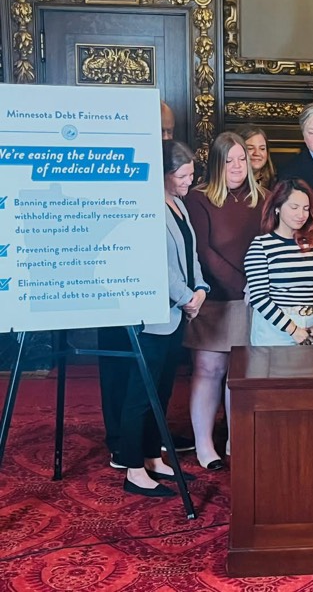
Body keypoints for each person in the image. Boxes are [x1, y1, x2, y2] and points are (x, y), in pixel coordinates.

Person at [120, 140, 209, 497]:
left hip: (177, 315)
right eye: (183, 175)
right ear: (166, 175)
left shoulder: (180, 206)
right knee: (141, 394)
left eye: (191, 174)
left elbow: (191, 253)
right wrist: (188, 297)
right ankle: (133, 468)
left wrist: (201, 288)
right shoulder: (149, 209)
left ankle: (153, 457)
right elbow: (160, 265)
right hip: (155, 316)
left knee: (162, 390)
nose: (189, 181)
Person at [183, 132, 265, 470]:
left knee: (241, 373)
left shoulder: (264, 198)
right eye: (228, 159)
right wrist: (240, 284)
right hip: (214, 299)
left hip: (255, 301)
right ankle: (205, 447)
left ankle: (236, 439)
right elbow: (201, 251)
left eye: (241, 159)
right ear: (216, 163)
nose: (236, 166)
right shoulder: (198, 199)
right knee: (209, 369)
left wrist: (256, 288)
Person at [245, 180, 313, 346]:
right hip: (275, 329)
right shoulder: (261, 245)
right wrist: (292, 329)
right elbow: (258, 296)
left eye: (306, 209)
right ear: (277, 208)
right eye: (294, 207)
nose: (301, 214)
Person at [237, 125, 276, 190]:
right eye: (250, 148)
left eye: (262, 148)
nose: (257, 153)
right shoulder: (226, 184)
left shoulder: (277, 184)